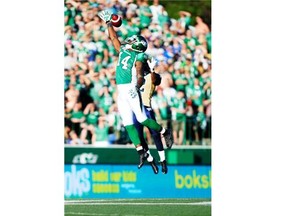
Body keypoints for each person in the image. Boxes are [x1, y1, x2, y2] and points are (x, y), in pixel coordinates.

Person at [98, 10, 173, 168]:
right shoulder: (124, 50)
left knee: (142, 119)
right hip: (121, 90)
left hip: (131, 88)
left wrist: (136, 87)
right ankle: (141, 152)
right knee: (127, 123)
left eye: (133, 40)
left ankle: (164, 131)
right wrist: (108, 23)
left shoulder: (139, 56)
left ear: (137, 46)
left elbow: (139, 74)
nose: (130, 40)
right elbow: (113, 38)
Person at [132, 53, 170, 174]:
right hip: (136, 109)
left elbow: (155, 80)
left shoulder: (152, 76)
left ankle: (163, 160)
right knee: (139, 137)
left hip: (146, 108)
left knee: (155, 134)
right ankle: (150, 160)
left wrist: (152, 69)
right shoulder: (135, 76)